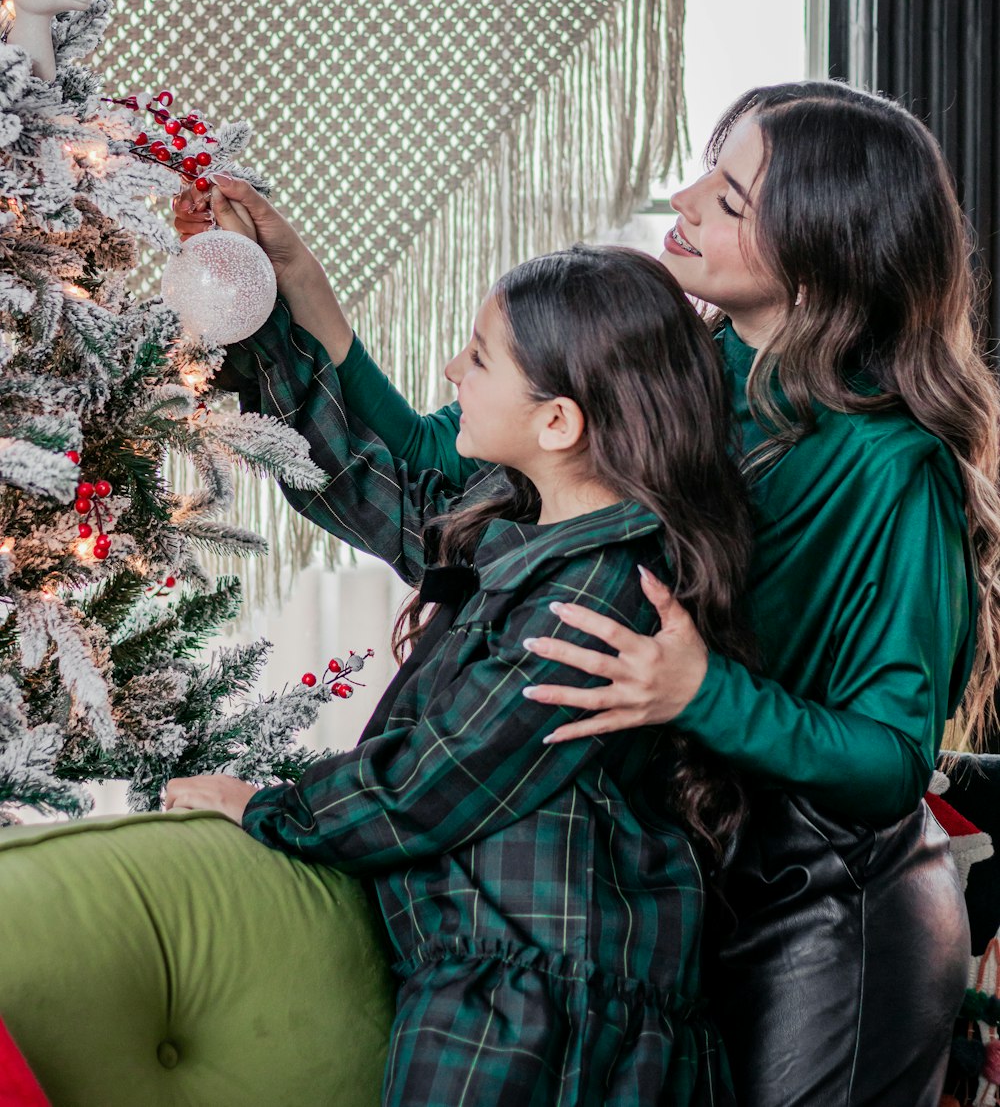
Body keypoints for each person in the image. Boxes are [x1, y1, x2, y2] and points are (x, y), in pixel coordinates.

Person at [171, 79, 995, 1105]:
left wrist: (700, 694)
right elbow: (454, 485)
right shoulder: (689, 367)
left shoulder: (889, 465)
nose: (685, 200)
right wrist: (305, 297)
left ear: (825, 249)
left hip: (819, 918)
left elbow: (887, 762)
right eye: (707, 166)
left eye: (731, 199)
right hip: (678, 898)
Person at [165, 246, 756, 1107]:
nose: (452, 370)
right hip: (508, 988)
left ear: (558, 422)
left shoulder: (598, 596)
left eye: (478, 357)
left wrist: (261, 805)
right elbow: (366, 485)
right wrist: (262, 317)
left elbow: (430, 783)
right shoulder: (532, 532)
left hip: (542, 1020)